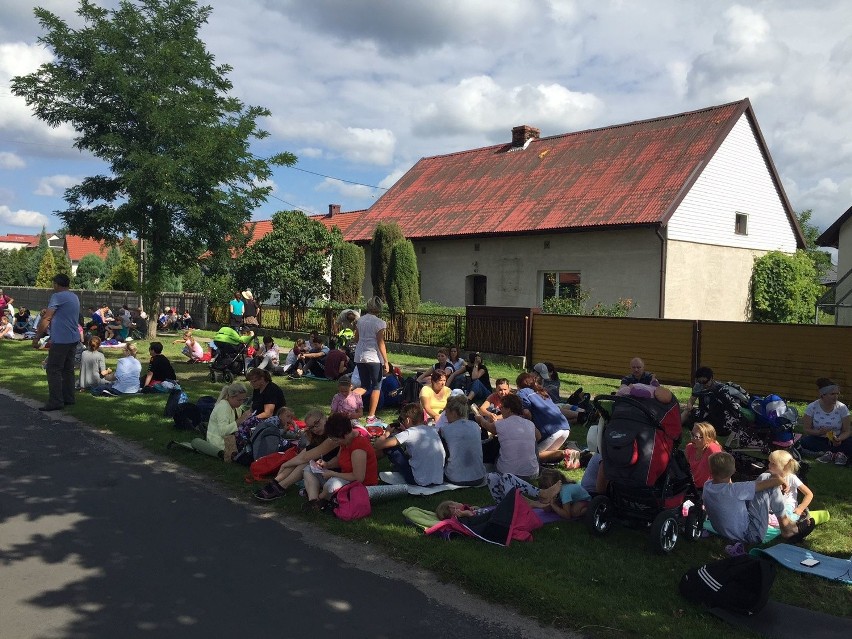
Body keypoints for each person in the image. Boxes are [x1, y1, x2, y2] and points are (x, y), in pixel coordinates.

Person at [702, 451, 814, 556]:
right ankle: (787, 527)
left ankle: (785, 525)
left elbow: (762, 479)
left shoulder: (707, 486)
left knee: (766, 477)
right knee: (769, 485)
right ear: (733, 470)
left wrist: (772, 475)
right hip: (750, 535)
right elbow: (773, 483)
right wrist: (780, 479)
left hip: (722, 530)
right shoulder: (737, 490)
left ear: (710, 471)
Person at [302, 413, 379, 511]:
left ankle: (320, 500)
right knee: (308, 469)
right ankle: (314, 500)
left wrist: (333, 473)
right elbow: (339, 460)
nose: (336, 442)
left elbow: (358, 477)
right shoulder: (345, 442)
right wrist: (327, 464)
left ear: (345, 435)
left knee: (331, 485)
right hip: (346, 479)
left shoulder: (358, 447)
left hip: (360, 486)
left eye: (336, 439)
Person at [254, 411, 336, 501]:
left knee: (305, 464)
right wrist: (287, 464)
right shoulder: (320, 436)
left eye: (317, 423)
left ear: (325, 418)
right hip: (325, 470)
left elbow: (306, 457)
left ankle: (280, 487)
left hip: (336, 474)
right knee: (300, 462)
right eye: (311, 427)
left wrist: (285, 465)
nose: (315, 429)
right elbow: (303, 454)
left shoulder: (333, 437)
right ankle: (276, 483)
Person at [32, 274, 81, 411]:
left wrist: (37, 337)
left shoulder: (57, 296)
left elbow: (47, 319)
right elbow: (60, 314)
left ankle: (56, 401)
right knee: (68, 369)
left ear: (56, 284)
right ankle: (69, 398)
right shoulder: (74, 296)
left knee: (53, 369)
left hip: (61, 339)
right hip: (73, 338)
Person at [373, 403, 446, 486]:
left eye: (403, 420)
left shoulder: (408, 433)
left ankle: (369, 468)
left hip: (418, 480)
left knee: (390, 448)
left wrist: (387, 433)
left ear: (407, 420)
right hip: (438, 479)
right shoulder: (433, 430)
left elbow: (378, 445)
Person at [173, 383, 247, 458]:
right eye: (239, 400)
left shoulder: (236, 407)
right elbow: (223, 431)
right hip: (218, 441)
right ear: (230, 397)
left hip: (229, 438)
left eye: (243, 400)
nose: (241, 403)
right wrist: (240, 421)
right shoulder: (223, 407)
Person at [477, 392, 539, 481]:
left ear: (509, 409)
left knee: (497, 445)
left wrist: (480, 419)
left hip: (507, 473)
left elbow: (487, 426)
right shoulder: (530, 424)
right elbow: (539, 436)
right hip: (532, 474)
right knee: (533, 440)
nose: (500, 410)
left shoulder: (500, 424)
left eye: (501, 407)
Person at [516, 372, 571, 463]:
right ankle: (571, 453)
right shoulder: (541, 392)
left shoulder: (522, 392)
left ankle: (566, 453)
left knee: (531, 457)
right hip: (565, 427)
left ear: (518, 385)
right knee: (548, 453)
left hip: (550, 430)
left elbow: (526, 412)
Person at [353, 296, 389, 425]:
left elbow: (356, 338)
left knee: (364, 385)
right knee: (376, 386)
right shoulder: (379, 322)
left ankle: (346, 401)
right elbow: (381, 342)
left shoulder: (360, 321)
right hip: (373, 356)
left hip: (359, 355)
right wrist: (386, 361)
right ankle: (371, 416)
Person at [437, 394, 486, 486]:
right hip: (479, 477)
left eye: (446, 412)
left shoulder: (445, 430)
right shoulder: (475, 426)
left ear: (454, 413)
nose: (446, 415)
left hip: (455, 478)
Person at [680, 366, 743, 436]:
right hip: (704, 413)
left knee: (701, 423)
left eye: (705, 382)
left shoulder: (720, 389)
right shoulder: (698, 386)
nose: (703, 385)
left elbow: (729, 407)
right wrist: (689, 404)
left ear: (711, 378)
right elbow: (692, 399)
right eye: (699, 382)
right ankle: (674, 428)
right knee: (687, 411)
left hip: (718, 417)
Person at [801, 377, 851, 465]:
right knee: (805, 442)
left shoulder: (842, 408)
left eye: (837, 394)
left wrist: (839, 439)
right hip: (819, 438)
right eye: (832, 394)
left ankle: (829, 453)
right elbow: (806, 429)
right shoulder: (812, 407)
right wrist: (819, 432)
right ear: (822, 395)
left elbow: (847, 431)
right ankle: (837, 454)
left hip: (838, 439)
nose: (835, 397)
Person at [767, 449, 814, 524]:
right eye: (769, 462)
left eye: (773, 464)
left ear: (785, 467)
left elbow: (809, 494)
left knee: (784, 519)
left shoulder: (791, 478)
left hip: (787, 506)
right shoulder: (770, 475)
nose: (769, 465)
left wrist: (800, 508)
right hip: (773, 505)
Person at [685, 421, 723, 488]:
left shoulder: (712, 449)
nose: (692, 438)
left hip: (709, 488)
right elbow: (684, 469)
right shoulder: (690, 447)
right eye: (692, 434)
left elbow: (723, 473)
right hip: (692, 486)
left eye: (696, 436)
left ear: (708, 439)